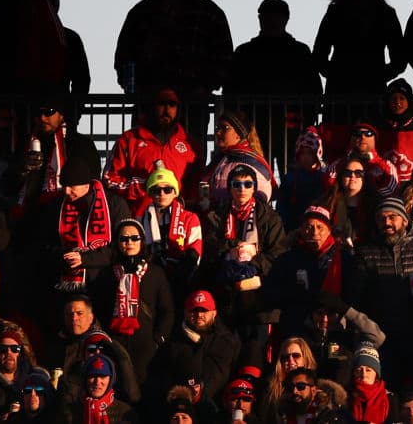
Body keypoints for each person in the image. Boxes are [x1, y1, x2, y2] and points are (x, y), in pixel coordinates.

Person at [114, 0, 234, 103]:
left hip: (191, 101)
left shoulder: (210, 12)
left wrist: (204, 86)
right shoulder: (140, 13)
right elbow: (124, 56)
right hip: (150, 99)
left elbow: (224, 58)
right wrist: (133, 87)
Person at [351, 198, 413, 389]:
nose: (387, 223)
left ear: (404, 221)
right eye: (381, 218)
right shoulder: (366, 253)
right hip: (383, 336)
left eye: (392, 217)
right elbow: (358, 296)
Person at [224, 0, 323, 172]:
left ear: (285, 19)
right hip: (256, 129)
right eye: (267, 16)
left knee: (290, 180)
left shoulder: (298, 52)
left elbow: (313, 91)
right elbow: (230, 91)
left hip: (288, 129)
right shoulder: (246, 52)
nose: (270, 20)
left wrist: (305, 120)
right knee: (256, 176)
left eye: (274, 16)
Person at [202, 164, 287, 366]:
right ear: (230, 188)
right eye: (236, 184)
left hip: (260, 303)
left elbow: (279, 255)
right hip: (228, 301)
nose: (242, 189)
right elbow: (211, 250)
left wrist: (253, 257)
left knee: (256, 360)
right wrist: (234, 251)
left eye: (247, 184)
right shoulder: (217, 217)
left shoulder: (269, 217)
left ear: (253, 188)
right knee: (228, 360)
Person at [312, 0, 405, 98]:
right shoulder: (335, 12)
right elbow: (319, 54)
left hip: (360, 92)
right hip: (345, 92)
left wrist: (379, 76)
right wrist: (335, 74)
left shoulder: (385, 14)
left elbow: (399, 58)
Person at [91, 218, 174, 386]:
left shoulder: (155, 272)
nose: (129, 242)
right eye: (124, 238)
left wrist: (158, 340)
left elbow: (167, 310)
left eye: (134, 238)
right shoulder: (106, 274)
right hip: (115, 345)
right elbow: (98, 308)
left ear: (142, 241)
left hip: (146, 346)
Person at [104, 87, 202, 219]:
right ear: (152, 107)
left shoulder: (190, 145)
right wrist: (141, 185)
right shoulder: (129, 140)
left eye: (172, 105)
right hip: (138, 221)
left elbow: (197, 186)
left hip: (178, 222)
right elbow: (109, 180)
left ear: (178, 109)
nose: (167, 109)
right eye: (162, 104)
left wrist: (182, 201)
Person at [37, 158, 131, 291]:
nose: (66, 191)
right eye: (64, 185)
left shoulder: (115, 205)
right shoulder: (56, 206)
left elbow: (122, 246)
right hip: (66, 283)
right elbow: (45, 244)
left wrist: (85, 259)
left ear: (86, 185)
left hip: (104, 281)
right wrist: (66, 256)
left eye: (72, 186)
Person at [265, 205, 354, 338]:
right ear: (301, 230)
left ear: (329, 230)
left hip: (335, 328)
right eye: (308, 227)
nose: (314, 232)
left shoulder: (344, 258)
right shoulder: (288, 259)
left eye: (320, 227)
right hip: (297, 328)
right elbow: (273, 292)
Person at [151, 290, 241, 402]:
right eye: (194, 310)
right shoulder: (173, 345)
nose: (199, 315)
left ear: (214, 313)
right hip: (185, 409)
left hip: (219, 406)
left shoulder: (228, 342)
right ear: (185, 313)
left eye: (204, 310)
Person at [140, 165, 204, 297]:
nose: (162, 194)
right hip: (151, 279)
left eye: (167, 189)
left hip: (183, 279)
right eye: (156, 190)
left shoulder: (190, 218)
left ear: (175, 192)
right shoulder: (140, 220)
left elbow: (195, 251)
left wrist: (181, 276)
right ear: (150, 193)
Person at [208, 110, 276, 206]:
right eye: (217, 128)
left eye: (224, 128)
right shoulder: (221, 159)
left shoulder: (252, 163)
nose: (218, 133)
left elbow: (259, 201)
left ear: (239, 134)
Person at [37, 0, 91, 95]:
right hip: (60, 106)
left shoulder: (21, 35)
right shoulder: (70, 38)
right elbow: (82, 79)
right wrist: (74, 108)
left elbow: (81, 79)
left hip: (30, 106)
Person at [325, 121, 399, 200]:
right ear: (351, 138)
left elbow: (392, 190)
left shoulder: (386, 166)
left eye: (368, 134)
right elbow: (329, 185)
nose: (363, 137)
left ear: (375, 139)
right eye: (357, 133)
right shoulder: (339, 164)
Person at [275, 127, 327, 232]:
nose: (306, 157)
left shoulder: (325, 176)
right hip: (293, 226)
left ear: (317, 153)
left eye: (310, 153)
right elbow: (282, 204)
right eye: (303, 153)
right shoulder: (290, 177)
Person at [65, 355, 139, 423]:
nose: (97, 382)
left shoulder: (125, 412)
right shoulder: (69, 412)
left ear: (111, 380)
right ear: (85, 379)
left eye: (103, 376)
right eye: (92, 376)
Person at [317, 157, 377, 243]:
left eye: (358, 173)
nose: (352, 176)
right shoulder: (328, 204)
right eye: (347, 173)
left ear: (365, 178)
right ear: (341, 177)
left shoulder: (373, 206)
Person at [260, 337, 318, 423]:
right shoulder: (272, 393)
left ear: (305, 358)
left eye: (296, 356)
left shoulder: (319, 390)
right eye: (285, 357)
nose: (290, 360)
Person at [276, 366, 347, 424]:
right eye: (291, 387)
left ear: (313, 390)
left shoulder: (332, 414)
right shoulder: (282, 415)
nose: (295, 391)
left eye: (300, 386)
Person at [348, 345, 393, 424]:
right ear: (354, 373)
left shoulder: (390, 398)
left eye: (368, 370)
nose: (363, 375)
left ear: (376, 374)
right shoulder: (345, 397)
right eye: (359, 370)